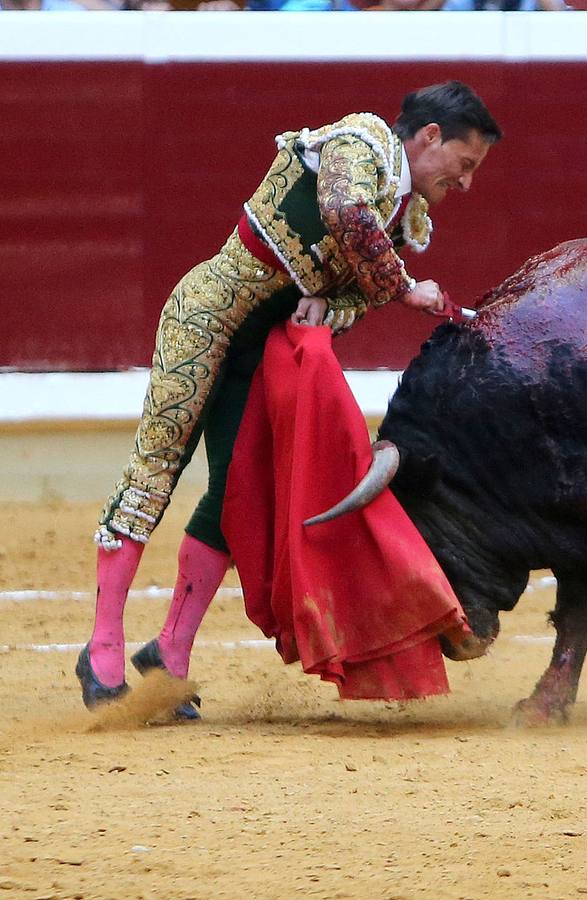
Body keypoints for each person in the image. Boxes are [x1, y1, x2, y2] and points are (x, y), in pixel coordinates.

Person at [78, 81, 502, 717]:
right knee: (155, 471)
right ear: (430, 136)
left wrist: (335, 304)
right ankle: (101, 647)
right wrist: (403, 286)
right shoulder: (361, 141)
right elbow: (342, 211)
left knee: (234, 493)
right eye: (464, 165)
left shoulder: (405, 217)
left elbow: (354, 295)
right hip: (209, 318)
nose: (465, 184)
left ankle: (169, 652)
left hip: (263, 351)